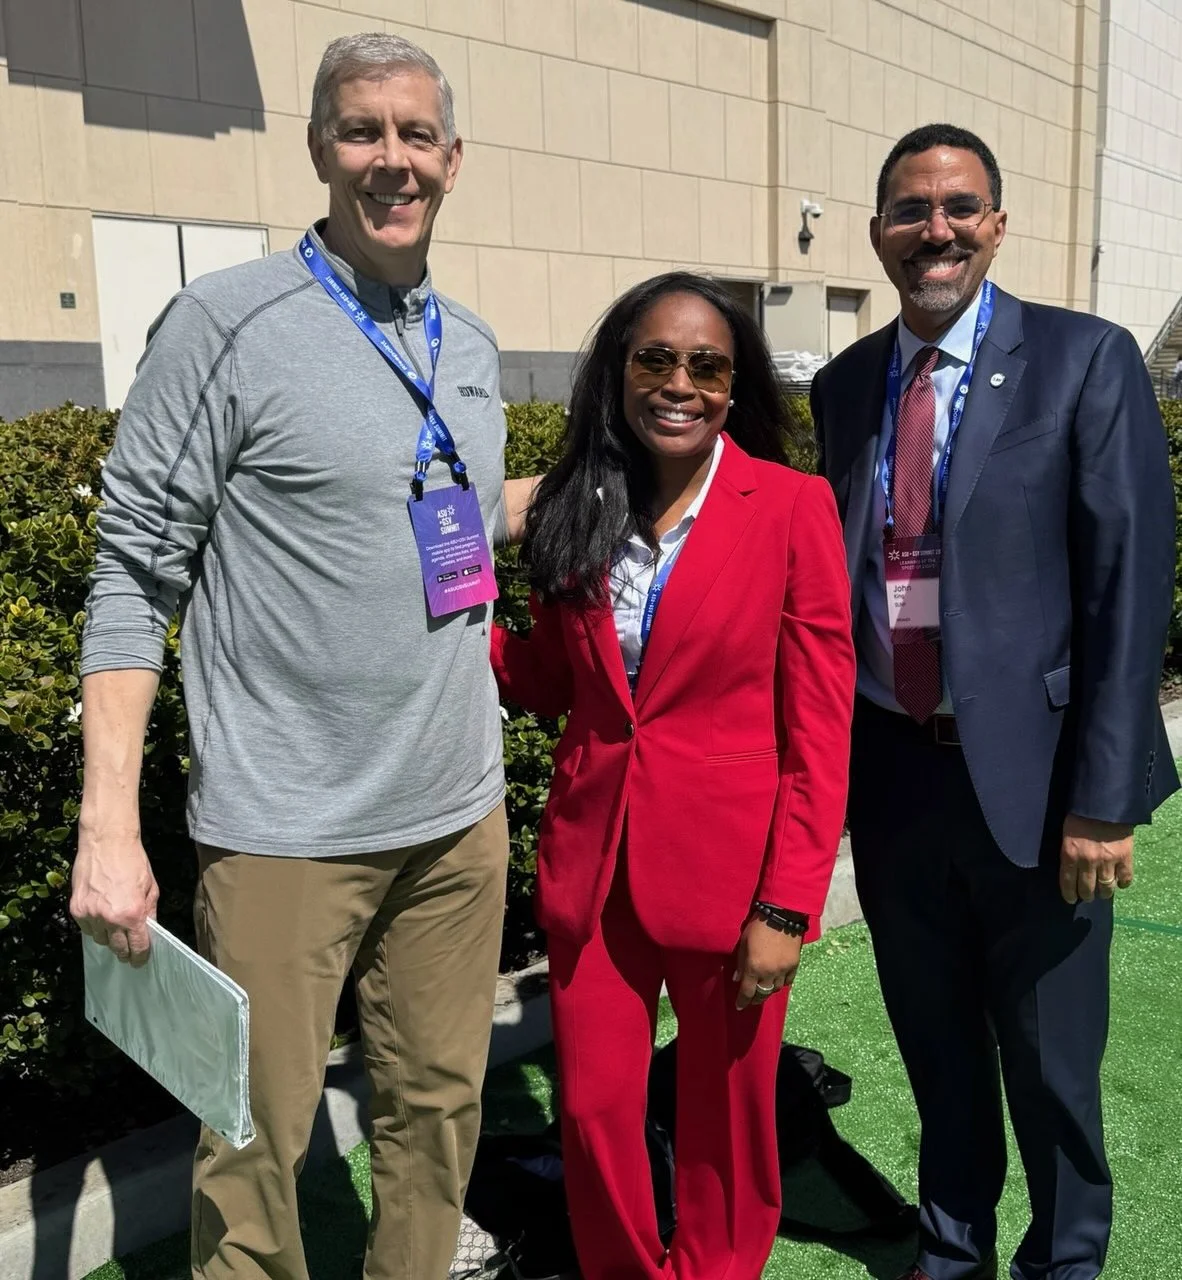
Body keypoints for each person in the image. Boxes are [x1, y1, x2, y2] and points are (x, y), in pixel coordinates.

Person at [69, 32, 536, 1280]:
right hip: (285, 830)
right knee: (253, 1145)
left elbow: (447, 517)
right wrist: (107, 826)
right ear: (321, 148)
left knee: (438, 1112)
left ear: (453, 158)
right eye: (362, 130)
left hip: (457, 821)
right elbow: (134, 572)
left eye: (416, 134)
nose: (392, 159)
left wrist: (635, 476)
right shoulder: (225, 323)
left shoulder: (469, 343)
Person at [811, 122, 1178, 1280]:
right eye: (912, 209)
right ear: (878, 233)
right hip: (896, 772)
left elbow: (1128, 581)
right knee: (936, 1041)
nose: (937, 229)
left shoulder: (1084, 358)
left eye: (960, 206)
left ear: (998, 224)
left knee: (1053, 1061)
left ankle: (1065, 1260)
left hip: (1042, 775)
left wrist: (1105, 794)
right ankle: (952, 1244)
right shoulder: (843, 387)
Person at [491, 272, 857, 1280]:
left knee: (725, 1117)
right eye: (655, 358)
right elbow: (553, 681)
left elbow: (820, 728)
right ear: (620, 371)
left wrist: (787, 905)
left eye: (707, 366)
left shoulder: (793, 507)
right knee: (594, 1110)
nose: (680, 383)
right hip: (595, 866)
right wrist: (461, 623)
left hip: (734, 879)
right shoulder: (577, 504)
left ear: (735, 386)